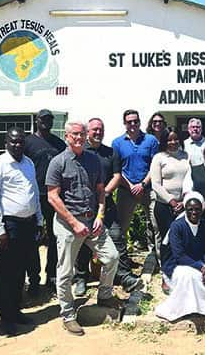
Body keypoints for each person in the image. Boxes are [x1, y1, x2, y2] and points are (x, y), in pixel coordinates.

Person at [46, 121, 119, 336]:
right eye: (75, 134)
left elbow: (100, 190)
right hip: (68, 225)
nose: (79, 138)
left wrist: (100, 215)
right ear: (67, 136)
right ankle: (68, 315)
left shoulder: (93, 160)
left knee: (112, 257)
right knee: (65, 271)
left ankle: (104, 295)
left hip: (92, 221)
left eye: (82, 134)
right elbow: (52, 197)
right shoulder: (58, 162)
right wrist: (74, 222)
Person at [74, 118, 141, 296]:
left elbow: (117, 176)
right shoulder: (81, 152)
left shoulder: (111, 152)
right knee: (84, 242)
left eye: (100, 129)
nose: (97, 132)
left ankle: (124, 276)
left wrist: (104, 193)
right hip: (85, 205)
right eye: (94, 129)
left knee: (117, 237)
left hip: (107, 203)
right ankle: (81, 277)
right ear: (88, 132)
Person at [0, 127, 42, 334]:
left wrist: (39, 219)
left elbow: (34, 192)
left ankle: (15, 311)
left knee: (21, 271)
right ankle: (5, 317)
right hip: (10, 225)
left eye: (20, 142)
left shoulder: (28, 163)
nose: (17, 145)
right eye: (13, 141)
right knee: (7, 272)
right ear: (6, 142)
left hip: (28, 224)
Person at [155, 193, 205, 321]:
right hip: (177, 265)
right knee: (189, 277)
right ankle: (186, 309)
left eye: (197, 209)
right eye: (190, 209)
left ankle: (204, 310)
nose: (194, 212)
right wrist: (201, 266)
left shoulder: (204, 226)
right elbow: (179, 256)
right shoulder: (177, 226)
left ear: (202, 210)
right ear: (185, 210)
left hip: (198, 263)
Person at [24, 108, 66, 292]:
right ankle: (34, 279)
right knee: (33, 239)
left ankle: (51, 276)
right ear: (36, 120)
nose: (46, 122)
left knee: (55, 236)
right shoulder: (27, 142)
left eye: (49, 119)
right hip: (34, 196)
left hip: (54, 196)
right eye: (42, 119)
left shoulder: (58, 143)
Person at [112, 110, 158, 250]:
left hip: (148, 189)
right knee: (122, 229)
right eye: (129, 122)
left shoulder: (151, 140)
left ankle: (159, 259)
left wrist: (142, 184)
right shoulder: (117, 143)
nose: (133, 124)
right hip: (126, 190)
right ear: (124, 123)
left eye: (135, 121)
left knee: (156, 225)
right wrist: (132, 185)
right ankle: (123, 264)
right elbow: (117, 169)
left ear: (139, 122)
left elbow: (155, 166)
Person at [150, 127, 189, 263]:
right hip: (164, 205)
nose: (173, 142)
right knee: (167, 237)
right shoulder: (159, 157)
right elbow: (155, 184)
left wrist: (184, 201)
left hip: (184, 205)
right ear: (164, 141)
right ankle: (166, 267)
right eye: (169, 139)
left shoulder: (185, 156)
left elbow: (191, 179)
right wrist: (172, 201)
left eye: (176, 139)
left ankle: (181, 265)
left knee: (183, 237)